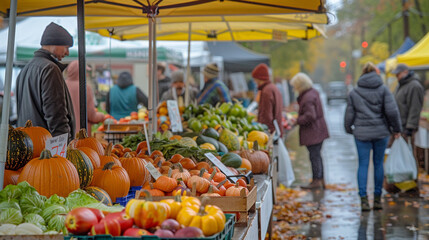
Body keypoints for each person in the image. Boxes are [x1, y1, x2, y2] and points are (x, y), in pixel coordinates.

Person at [344, 62, 402, 211]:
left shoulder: (355, 92)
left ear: (362, 74)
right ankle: (377, 199)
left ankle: (363, 199)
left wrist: (349, 129)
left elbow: (349, 114)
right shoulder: (383, 90)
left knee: (363, 164)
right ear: (376, 73)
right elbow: (392, 111)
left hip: (361, 134)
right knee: (378, 164)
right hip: (381, 132)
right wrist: (396, 129)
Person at [16, 22, 75, 142]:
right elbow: (56, 115)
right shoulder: (50, 69)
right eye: (66, 47)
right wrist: (64, 148)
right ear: (54, 44)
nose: (67, 53)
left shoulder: (25, 69)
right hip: (46, 149)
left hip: (27, 146)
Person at [290, 72, 329, 189]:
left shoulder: (307, 97)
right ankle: (320, 179)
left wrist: (297, 120)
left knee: (314, 156)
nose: (294, 89)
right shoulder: (313, 92)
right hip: (319, 130)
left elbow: (310, 115)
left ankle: (316, 181)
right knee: (317, 156)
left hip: (313, 132)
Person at [65, 60, 104, 136]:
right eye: (85, 71)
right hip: (82, 134)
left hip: (66, 133)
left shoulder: (62, 85)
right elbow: (91, 116)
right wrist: (102, 116)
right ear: (80, 72)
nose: (86, 74)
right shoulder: (85, 87)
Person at [392, 63, 424, 142]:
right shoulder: (401, 85)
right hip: (400, 126)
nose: (397, 77)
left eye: (398, 74)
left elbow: (415, 107)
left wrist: (410, 127)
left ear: (405, 72)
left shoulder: (414, 86)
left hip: (407, 128)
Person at [252, 64, 283, 136]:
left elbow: (266, 115)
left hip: (270, 132)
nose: (254, 81)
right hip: (276, 129)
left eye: (255, 78)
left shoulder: (266, 91)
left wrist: (263, 131)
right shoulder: (273, 88)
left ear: (259, 78)